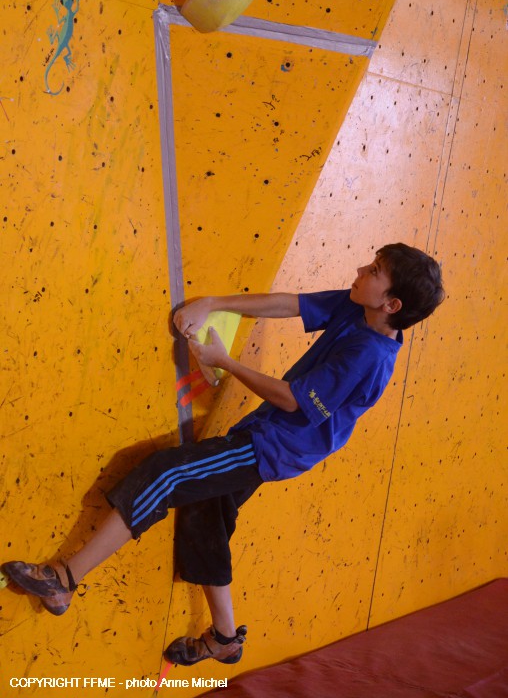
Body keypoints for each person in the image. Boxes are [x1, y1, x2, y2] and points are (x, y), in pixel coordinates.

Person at [2, 243, 444, 666]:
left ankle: (64, 580)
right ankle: (225, 639)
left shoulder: (369, 355)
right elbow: (288, 304)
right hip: (270, 433)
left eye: (374, 271)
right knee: (204, 515)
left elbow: (294, 401)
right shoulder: (359, 307)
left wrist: (225, 361)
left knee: (165, 474)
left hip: (274, 447)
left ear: (392, 304)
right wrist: (214, 303)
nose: (361, 271)